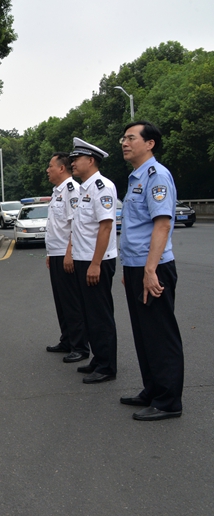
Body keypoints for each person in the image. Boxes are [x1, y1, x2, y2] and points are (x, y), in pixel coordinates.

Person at [118, 121, 184, 421]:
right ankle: (153, 389)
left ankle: (168, 401)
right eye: (124, 138)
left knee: (159, 334)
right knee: (144, 334)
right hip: (137, 266)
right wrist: (130, 268)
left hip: (153, 267)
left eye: (131, 138)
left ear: (150, 144)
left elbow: (163, 224)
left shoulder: (157, 176)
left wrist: (149, 269)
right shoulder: (135, 178)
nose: (124, 142)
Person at [67, 138, 118, 384]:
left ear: (90, 160)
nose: (72, 163)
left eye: (76, 159)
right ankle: (98, 359)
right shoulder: (83, 188)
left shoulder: (102, 187)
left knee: (100, 314)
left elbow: (106, 227)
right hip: (82, 259)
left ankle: (107, 366)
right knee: (89, 314)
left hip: (96, 261)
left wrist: (96, 264)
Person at [44, 153, 88, 363]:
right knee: (61, 301)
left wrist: (69, 253)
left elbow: (75, 224)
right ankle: (67, 340)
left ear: (61, 168)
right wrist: (50, 253)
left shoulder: (72, 190)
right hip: (56, 253)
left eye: (50, 166)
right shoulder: (57, 191)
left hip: (66, 254)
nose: (47, 170)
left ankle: (80, 346)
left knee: (71, 301)